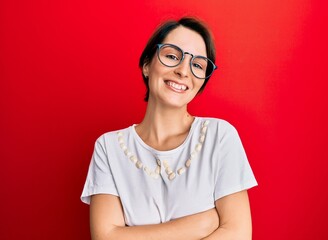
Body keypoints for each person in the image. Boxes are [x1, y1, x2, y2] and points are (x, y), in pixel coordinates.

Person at [81, 17, 257, 240]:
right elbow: (105, 237)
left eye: (197, 65)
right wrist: (202, 224)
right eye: (172, 56)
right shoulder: (108, 147)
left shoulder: (220, 137)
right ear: (147, 64)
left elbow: (238, 235)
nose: (184, 71)